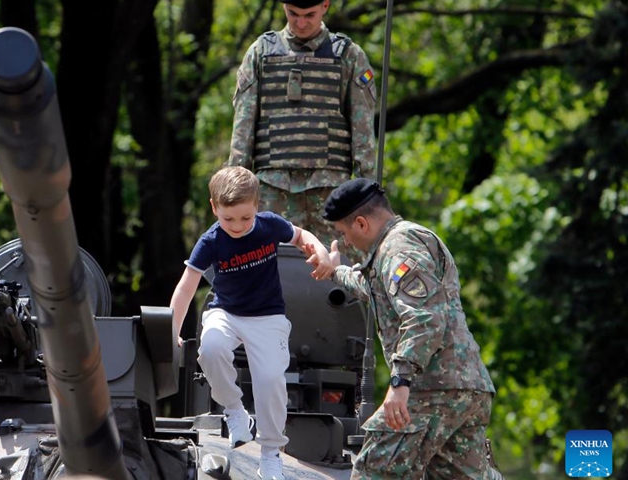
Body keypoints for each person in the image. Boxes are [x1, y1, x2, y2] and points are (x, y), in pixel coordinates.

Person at [304, 178, 501, 479]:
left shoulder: (399, 247)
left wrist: (400, 382)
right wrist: (335, 271)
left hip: (432, 388)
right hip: (462, 388)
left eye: (343, 233)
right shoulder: (394, 249)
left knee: (375, 470)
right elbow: (376, 287)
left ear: (361, 223)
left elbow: (424, 319)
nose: (344, 242)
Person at [169, 166, 332, 480]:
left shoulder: (269, 226)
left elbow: (301, 236)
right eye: (228, 219)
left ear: (257, 206)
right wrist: (172, 329)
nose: (238, 226)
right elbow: (186, 286)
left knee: (271, 379)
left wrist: (320, 252)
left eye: (245, 218)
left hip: (267, 316)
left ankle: (271, 453)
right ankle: (234, 410)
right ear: (214, 207)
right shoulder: (211, 240)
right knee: (211, 349)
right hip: (226, 312)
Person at [227, 0, 378, 245]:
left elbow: (363, 133)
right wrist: (233, 193)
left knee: (336, 270)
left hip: (330, 190)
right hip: (271, 190)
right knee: (267, 271)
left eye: (309, 14)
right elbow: (242, 131)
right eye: (293, 13)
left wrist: (367, 195)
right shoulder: (260, 53)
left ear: (325, 6)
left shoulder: (348, 56)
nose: (300, 22)